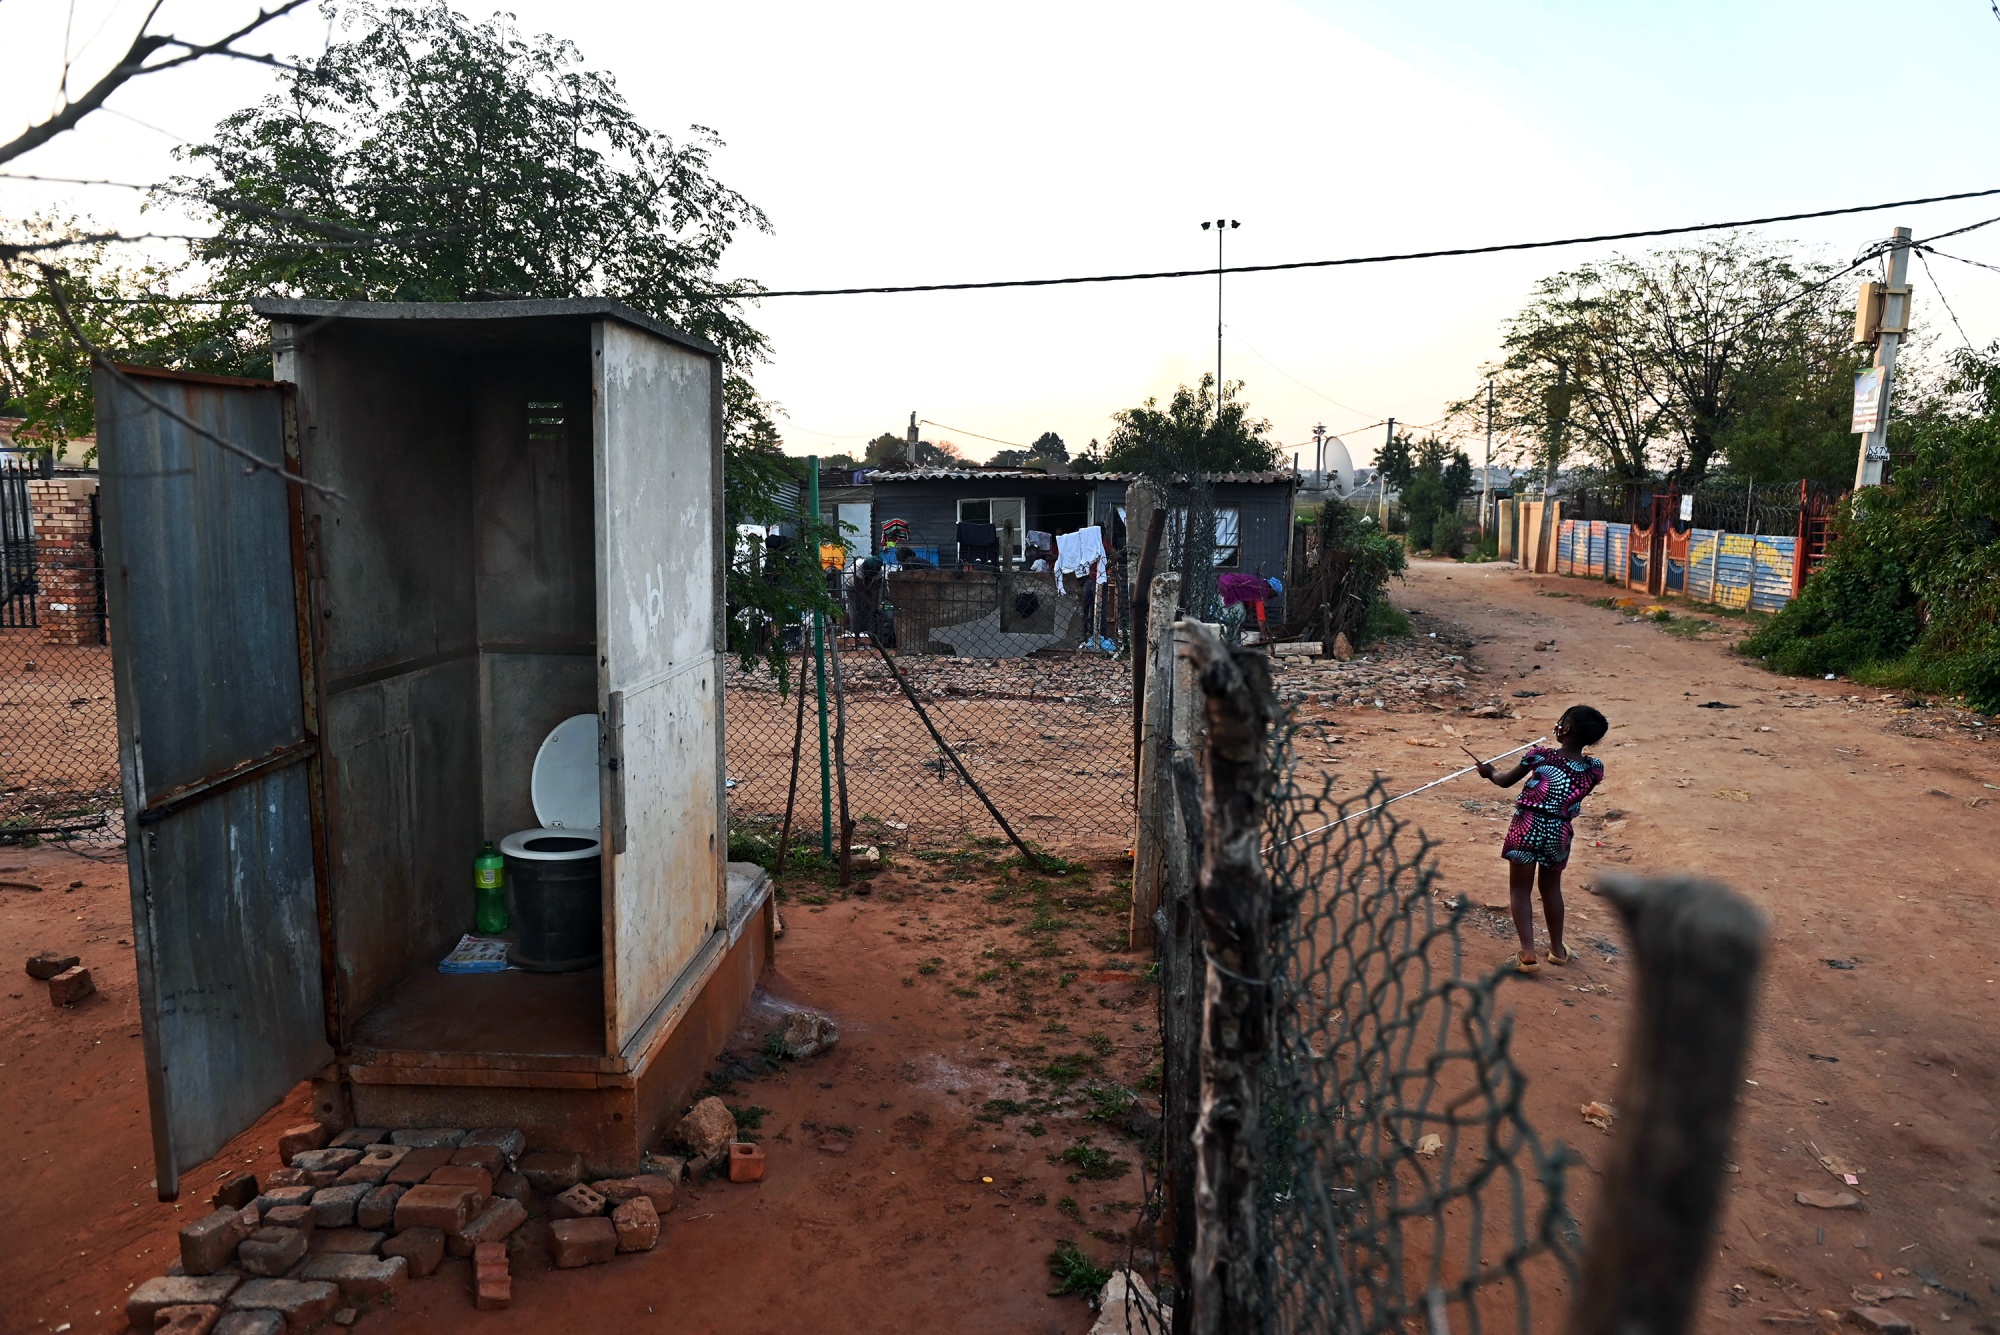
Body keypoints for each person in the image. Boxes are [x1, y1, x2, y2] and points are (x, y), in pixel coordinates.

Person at [1476, 705, 1608, 974]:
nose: (1557, 725)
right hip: (1559, 832)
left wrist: (1489, 771)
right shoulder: (1594, 769)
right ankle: (1558, 950)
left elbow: (1503, 781)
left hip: (1526, 826)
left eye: (1561, 721)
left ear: (1566, 728)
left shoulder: (1540, 756)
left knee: (1520, 890)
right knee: (1551, 889)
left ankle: (1527, 953)